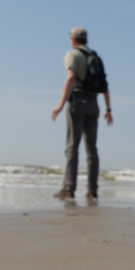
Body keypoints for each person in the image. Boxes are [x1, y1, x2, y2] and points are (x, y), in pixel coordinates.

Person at [51, 27, 113, 203]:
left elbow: (71, 77)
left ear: (73, 39)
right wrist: (108, 109)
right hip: (94, 104)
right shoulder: (96, 57)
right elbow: (104, 85)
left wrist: (60, 105)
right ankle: (92, 191)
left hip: (77, 102)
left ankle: (69, 189)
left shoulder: (73, 54)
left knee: (72, 146)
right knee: (92, 149)